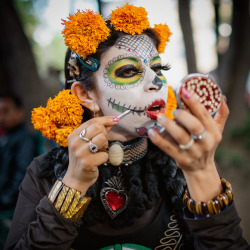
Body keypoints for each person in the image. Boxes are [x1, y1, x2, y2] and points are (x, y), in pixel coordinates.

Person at [4, 4, 249, 250]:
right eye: (129, 70)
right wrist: (73, 185)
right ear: (86, 95)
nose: (155, 83)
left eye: (158, 69)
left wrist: (202, 173)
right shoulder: (43, 174)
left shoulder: (186, 160)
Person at [0, 93, 36, 248]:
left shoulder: (25, 139)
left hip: (12, 208)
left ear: (19, 112)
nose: (1, 117)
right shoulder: (8, 137)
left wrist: (3, 201)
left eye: (5, 111)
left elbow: (21, 176)